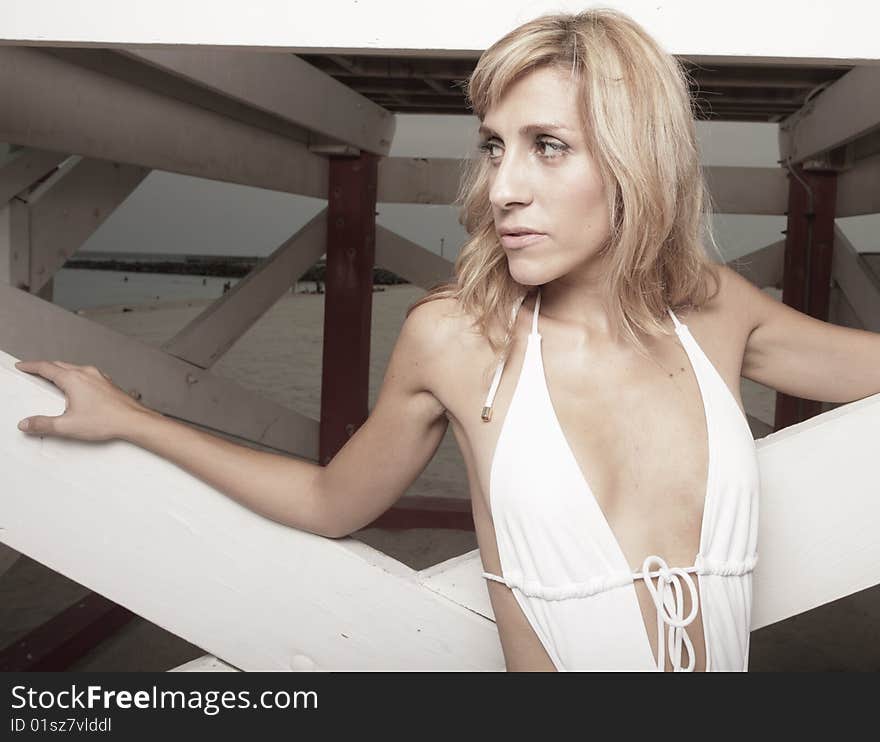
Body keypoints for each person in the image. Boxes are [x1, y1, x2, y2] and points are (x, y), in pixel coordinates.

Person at [12, 9, 880, 671]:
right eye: (493, 147)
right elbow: (328, 503)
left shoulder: (714, 310)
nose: (502, 186)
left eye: (547, 146)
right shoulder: (456, 340)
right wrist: (134, 418)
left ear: (636, 160)